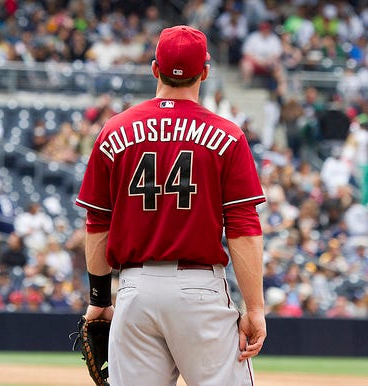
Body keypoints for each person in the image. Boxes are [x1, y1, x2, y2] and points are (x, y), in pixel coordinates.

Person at [75, 25, 267, 386]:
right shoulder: (227, 136)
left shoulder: (114, 131)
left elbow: (97, 222)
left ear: (154, 69)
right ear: (205, 72)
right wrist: (254, 308)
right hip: (199, 292)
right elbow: (243, 228)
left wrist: (100, 298)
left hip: (135, 291)